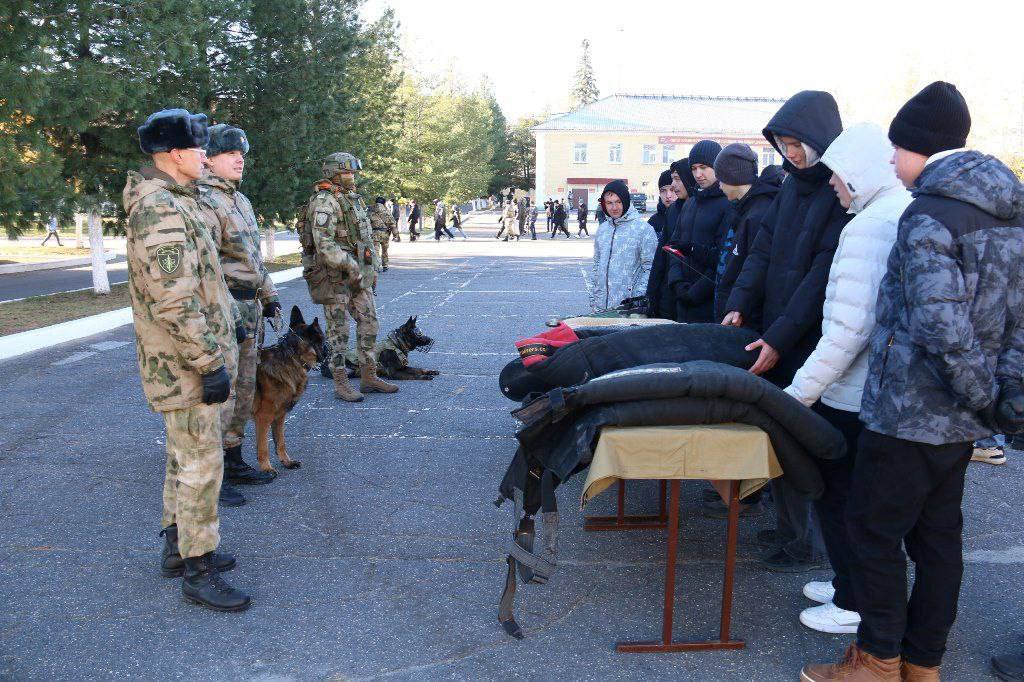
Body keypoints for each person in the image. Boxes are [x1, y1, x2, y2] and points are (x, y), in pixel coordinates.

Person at [804, 82, 1024, 682]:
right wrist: (996, 399)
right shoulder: (1007, 208)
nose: (893, 165)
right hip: (962, 421)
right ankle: (922, 664)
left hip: (910, 411)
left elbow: (936, 319)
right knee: (937, 540)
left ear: (917, 149)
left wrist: (977, 390)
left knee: (872, 534)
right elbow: (1015, 319)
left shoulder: (928, 212)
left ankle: (877, 661)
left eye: (897, 152)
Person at [775, 123, 911, 637]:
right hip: (866, 389)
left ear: (857, 172)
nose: (831, 184)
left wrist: (797, 395)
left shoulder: (870, 226)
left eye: (837, 174)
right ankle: (846, 582)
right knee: (852, 497)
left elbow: (849, 329)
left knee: (842, 497)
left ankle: (853, 598)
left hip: (851, 393)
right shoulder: (887, 213)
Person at [123, 108, 249, 611]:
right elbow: (173, 300)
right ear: (175, 155)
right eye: (199, 149)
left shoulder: (181, 201)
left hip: (192, 358)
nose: (206, 155)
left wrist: (229, 321)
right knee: (200, 464)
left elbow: (202, 280)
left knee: (184, 459)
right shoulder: (160, 210)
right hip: (185, 366)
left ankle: (179, 548)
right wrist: (209, 362)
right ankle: (198, 569)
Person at [723, 90, 851, 573]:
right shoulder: (789, 188)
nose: (791, 153)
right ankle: (789, 528)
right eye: (783, 144)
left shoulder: (838, 194)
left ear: (821, 139)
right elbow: (761, 253)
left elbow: (820, 277)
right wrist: (739, 303)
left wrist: (779, 336)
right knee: (775, 434)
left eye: (797, 142)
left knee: (801, 441)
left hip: (809, 341)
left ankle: (805, 541)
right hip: (774, 328)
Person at [198, 123, 280, 509]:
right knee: (222, 393)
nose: (239, 159)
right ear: (208, 159)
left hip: (251, 308)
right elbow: (206, 267)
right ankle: (211, 475)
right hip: (224, 309)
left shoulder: (240, 201)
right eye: (229, 153)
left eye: (242, 154)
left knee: (245, 390)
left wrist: (270, 296)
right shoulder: (204, 202)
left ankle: (233, 460)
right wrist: (224, 312)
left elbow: (253, 260)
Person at [303, 152, 398, 401]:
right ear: (333, 174)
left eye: (353, 171)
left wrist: (370, 269)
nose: (352, 176)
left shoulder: (350, 199)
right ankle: (341, 382)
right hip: (334, 277)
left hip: (357, 275)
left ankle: (369, 376)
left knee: (369, 322)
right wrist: (351, 266)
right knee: (338, 332)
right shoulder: (324, 201)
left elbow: (363, 240)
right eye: (347, 172)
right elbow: (324, 244)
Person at [712, 144, 779, 329]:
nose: (719, 185)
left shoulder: (758, 213)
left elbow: (756, 265)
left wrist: (739, 305)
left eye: (721, 179)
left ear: (732, 177)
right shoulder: (747, 208)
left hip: (748, 317)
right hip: (739, 310)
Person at [665, 140, 731, 323]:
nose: (698, 174)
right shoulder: (690, 203)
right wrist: (677, 283)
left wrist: (696, 292)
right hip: (682, 301)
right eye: (694, 168)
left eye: (703, 167)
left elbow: (724, 259)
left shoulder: (727, 203)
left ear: (718, 166)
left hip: (710, 304)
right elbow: (674, 248)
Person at [589, 179, 658, 311]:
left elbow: (650, 269)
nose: (614, 208)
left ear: (626, 201)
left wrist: (637, 299)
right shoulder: (603, 230)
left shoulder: (643, 230)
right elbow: (596, 266)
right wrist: (593, 299)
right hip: (601, 307)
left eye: (618, 202)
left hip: (629, 309)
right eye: (609, 203)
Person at [648, 158, 696, 320]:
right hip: (668, 291)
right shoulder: (672, 212)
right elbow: (661, 259)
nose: (670, 192)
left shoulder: (705, 208)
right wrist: (652, 296)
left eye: (676, 180)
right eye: (663, 190)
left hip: (694, 294)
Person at [369, 196, 398, 270]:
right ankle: (385, 265)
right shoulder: (387, 211)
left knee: (375, 250)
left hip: (374, 233)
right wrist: (395, 235)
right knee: (385, 250)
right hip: (385, 233)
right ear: (384, 203)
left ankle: (376, 266)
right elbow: (392, 224)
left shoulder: (370, 210)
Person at [646, 169, 676, 240]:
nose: (668, 195)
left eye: (672, 189)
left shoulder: (689, 217)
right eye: (663, 191)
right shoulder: (653, 222)